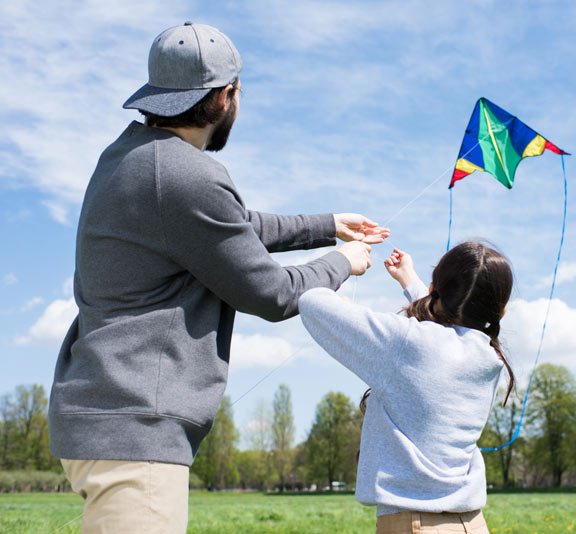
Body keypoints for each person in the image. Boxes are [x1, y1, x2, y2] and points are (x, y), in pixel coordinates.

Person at [48, 22, 386, 533]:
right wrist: (345, 262)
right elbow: (272, 294)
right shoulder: (187, 175)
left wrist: (327, 225)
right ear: (226, 97)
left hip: (104, 420)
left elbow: (232, 225)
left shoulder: (129, 157)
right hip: (136, 432)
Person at [298, 241, 515, 534]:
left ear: (436, 285)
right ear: (501, 311)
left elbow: (312, 301)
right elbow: (452, 326)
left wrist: (342, 261)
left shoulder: (409, 343)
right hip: (472, 523)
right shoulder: (488, 357)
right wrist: (409, 280)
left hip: (416, 524)